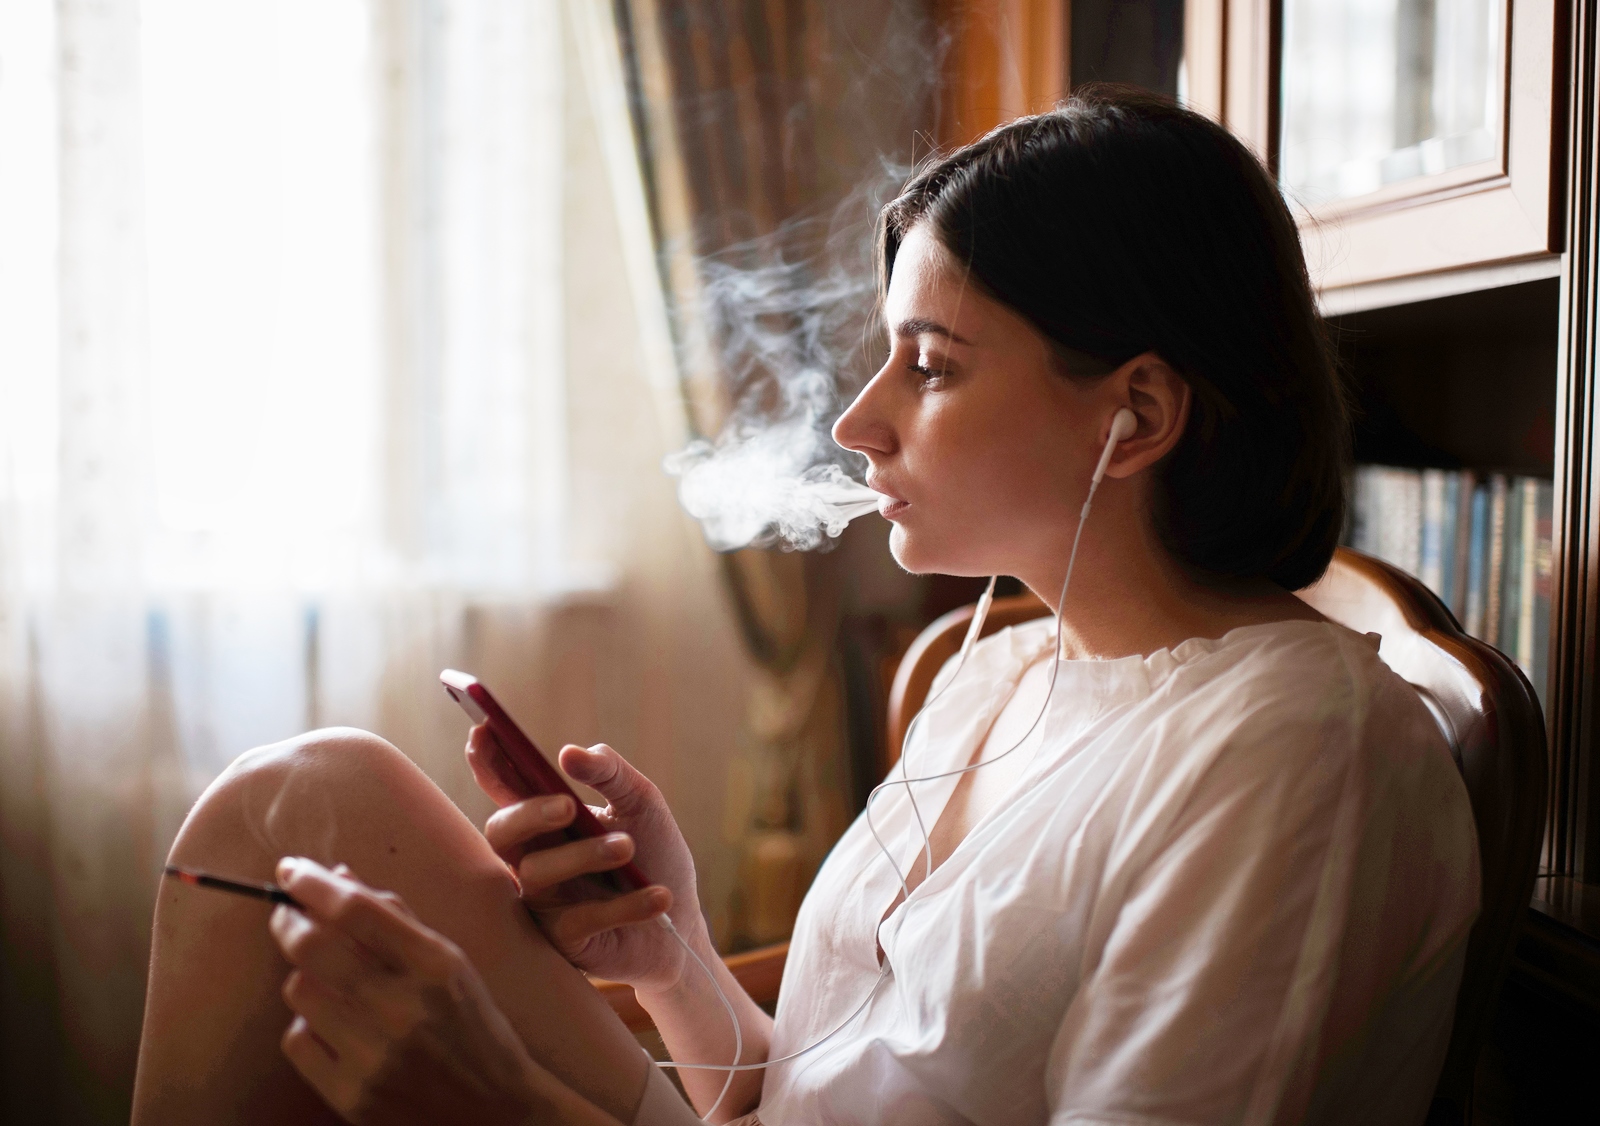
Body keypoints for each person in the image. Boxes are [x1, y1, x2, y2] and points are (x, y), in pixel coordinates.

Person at [130, 88, 1478, 1126]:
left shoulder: (1298, 745)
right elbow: (802, 1088)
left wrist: (510, 1103)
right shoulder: (998, 672)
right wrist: (669, 952)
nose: (857, 419)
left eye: (931, 366)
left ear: (1135, 414)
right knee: (306, 791)